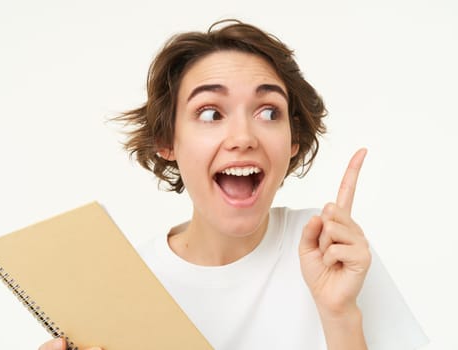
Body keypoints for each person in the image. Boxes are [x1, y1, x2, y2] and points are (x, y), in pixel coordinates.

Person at [40, 20, 427, 350]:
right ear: (167, 141)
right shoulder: (127, 287)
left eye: (268, 111)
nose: (243, 136)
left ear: (292, 139)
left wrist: (340, 315)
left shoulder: (334, 252)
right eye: (210, 113)